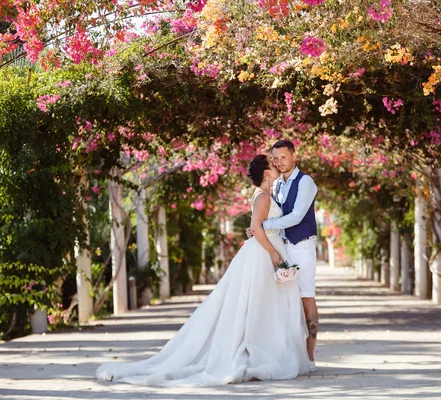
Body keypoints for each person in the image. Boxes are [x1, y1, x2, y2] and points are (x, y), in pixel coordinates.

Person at [96, 155, 310, 387]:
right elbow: (257, 229)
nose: (276, 164)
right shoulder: (264, 197)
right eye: (272, 163)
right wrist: (274, 254)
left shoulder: (266, 195)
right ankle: (257, 352)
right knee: (257, 306)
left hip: (264, 250)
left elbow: (258, 227)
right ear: (266, 173)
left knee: (265, 306)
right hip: (263, 254)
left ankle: (267, 350)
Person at [247, 139, 319, 372]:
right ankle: (290, 354)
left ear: (294, 156)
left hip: (302, 247)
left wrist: (263, 224)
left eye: (283, 157)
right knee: (284, 301)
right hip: (283, 247)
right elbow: (271, 212)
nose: (279, 161)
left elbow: (297, 216)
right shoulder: (277, 185)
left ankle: (309, 356)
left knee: (306, 298)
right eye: (275, 158)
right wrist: (258, 227)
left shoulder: (306, 182)